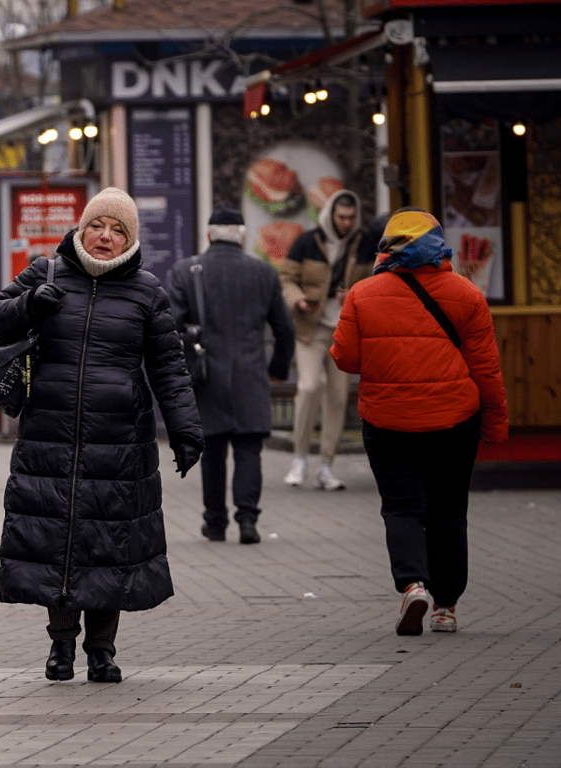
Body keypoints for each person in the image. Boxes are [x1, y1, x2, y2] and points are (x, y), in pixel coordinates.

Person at [0, 187, 203, 683]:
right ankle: (61, 646)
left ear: (129, 239)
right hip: (50, 434)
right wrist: (30, 305)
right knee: (58, 536)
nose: (105, 236)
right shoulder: (46, 272)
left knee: (109, 543)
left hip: (120, 440)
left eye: (117, 229)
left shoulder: (147, 290)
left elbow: (169, 367)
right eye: (98, 226)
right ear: (82, 228)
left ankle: (102, 649)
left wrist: (186, 429)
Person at [331, 208, 507, 636]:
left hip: (387, 421)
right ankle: (446, 607)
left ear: (386, 248)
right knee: (449, 510)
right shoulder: (466, 294)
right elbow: (486, 368)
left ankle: (412, 584)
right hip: (455, 420)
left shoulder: (362, 294)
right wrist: (496, 423)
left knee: (402, 508)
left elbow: (345, 358)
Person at [167, 206, 295, 545]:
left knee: (212, 451)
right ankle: (248, 521)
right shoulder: (264, 273)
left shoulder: (185, 271)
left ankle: (216, 522)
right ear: (242, 236)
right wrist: (277, 370)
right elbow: (284, 328)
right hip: (251, 375)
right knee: (249, 449)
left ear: (209, 234)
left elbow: (170, 328)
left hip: (206, 375)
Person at [279, 189, 370, 491]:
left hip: (344, 330)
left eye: (351, 217)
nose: (346, 223)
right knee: (308, 386)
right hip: (311, 329)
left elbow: (374, 279)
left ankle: (326, 466)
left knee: (338, 397)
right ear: (330, 214)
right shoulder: (307, 241)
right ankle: (299, 459)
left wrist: (354, 293)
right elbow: (286, 278)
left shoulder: (363, 242)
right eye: (341, 217)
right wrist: (299, 300)